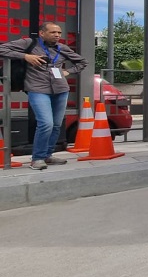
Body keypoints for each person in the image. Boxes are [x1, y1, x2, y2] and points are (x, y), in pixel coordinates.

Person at [0, 22, 87, 170]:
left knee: (56, 125)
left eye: (59, 33)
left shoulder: (62, 48)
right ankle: (38, 158)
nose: (57, 35)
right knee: (46, 123)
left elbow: (82, 62)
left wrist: (68, 71)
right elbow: (2, 49)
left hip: (60, 89)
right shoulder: (29, 43)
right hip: (37, 89)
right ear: (42, 33)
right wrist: (25, 56)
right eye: (53, 32)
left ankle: (48, 155)